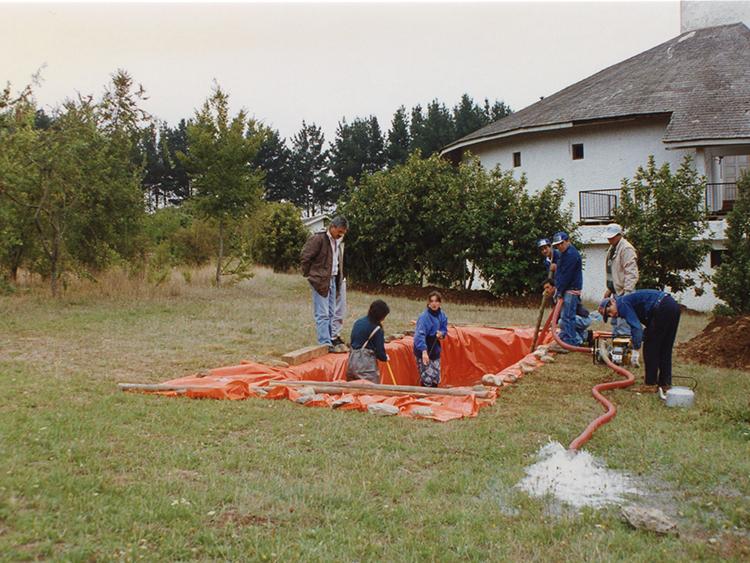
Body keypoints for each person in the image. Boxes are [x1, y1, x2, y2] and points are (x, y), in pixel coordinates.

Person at [599, 290, 681, 392]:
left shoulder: (622, 304)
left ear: (613, 301)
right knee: (665, 347)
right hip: (672, 306)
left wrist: (635, 347)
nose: (611, 315)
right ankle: (665, 384)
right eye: (608, 315)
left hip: (662, 307)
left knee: (650, 347)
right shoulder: (625, 302)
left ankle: (650, 384)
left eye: (609, 311)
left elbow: (636, 327)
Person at [300, 216, 349, 353]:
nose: (341, 235)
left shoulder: (336, 241)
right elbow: (305, 256)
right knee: (322, 313)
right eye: (339, 231)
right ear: (332, 227)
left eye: (343, 233)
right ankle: (324, 342)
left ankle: (330, 340)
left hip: (332, 279)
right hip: (320, 280)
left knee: (332, 313)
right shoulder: (319, 239)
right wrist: (311, 275)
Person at [603, 223, 639, 337]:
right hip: (616, 291)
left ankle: (623, 347)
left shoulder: (626, 248)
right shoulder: (613, 248)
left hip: (624, 292)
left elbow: (631, 273)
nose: (609, 239)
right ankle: (616, 345)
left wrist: (627, 293)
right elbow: (613, 270)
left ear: (619, 235)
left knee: (623, 323)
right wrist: (610, 288)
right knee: (615, 321)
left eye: (612, 236)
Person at [549, 231, 583, 350]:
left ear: (567, 241)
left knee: (568, 316)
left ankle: (570, 342)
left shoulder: (571, 255)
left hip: (570, 289)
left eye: (561, 244)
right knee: (564, 316)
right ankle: (564, 337)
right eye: (557, 245)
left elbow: (566, 276)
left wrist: (559, 291)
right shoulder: (564, 253)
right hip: (567, 289)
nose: (559, 247)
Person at [347, 299, 390, 383]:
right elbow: (380, 352)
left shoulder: (358, 322)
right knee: (370, 392)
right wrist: (385, 357)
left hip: (351, 362)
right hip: (365, 367)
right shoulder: (377, 329)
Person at [413, 291, 449, 387]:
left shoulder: (442, 315)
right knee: (427, 378)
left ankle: (434, 397)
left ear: (440, 303)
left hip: (435, 348)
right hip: (423, 349)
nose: (434, 304)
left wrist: (441, 334)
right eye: (432, 301)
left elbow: (444, 328)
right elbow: (419, 335)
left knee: (436, 378)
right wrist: (424, 352)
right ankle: (425, 399)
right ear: (428, 303)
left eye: (436, 301)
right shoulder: (424, 317)